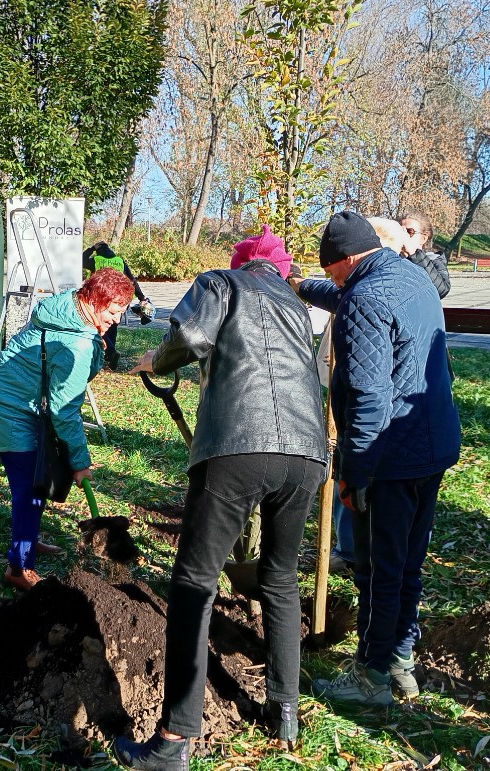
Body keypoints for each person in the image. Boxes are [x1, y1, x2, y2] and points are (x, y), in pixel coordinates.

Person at [113, 231, 328, 768]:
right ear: (280, 271)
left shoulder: (219, 283)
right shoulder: (298, 310)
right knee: (280, 579)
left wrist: (155, 363)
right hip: (306, 456)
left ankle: (173, 740)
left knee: (193, 582)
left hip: (238, 448)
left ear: (241, 265)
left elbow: (187, 333)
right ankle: (285, 714)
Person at [292, 212, 460, 706]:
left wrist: (352, 474)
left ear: (345, 260)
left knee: (378, 570)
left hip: (389, 454)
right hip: (431, 443)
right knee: (408, 563)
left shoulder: (365, 298)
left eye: (333, 271)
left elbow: (369, 397)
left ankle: (370, 677)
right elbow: (346, 297)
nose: (336, 281)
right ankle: (401, 662)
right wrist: (301, 285)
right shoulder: (408, 275)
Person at [0, 268, 135, 590]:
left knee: (37, 479)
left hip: (8, 391)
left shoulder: (65, 307)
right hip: (7, 406)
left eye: (121, 312)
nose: (117, 320)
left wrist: (98, 345)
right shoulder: (77, 346)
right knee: (29, 491)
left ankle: (28, 538)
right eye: (113, 311)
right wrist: (80, 462)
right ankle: (19, 568)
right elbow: (64, 410)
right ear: (92, 300)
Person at [82, 242, 152, 370]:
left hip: (101, 298)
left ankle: (110, 352)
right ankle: (110, 357)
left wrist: (91, 249)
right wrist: (141, 297)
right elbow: (132, 280)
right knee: (113, 327)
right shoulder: (119, 261)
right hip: (118, 299)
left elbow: (81, 260)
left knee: (97, 326)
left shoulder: (96, 260)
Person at [399, 210, 450, 298]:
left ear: (423, 238)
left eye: (409, 232)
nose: (403, 236)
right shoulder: (389, 259)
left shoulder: (434, 260)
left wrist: (413, 254)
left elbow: (441, 291)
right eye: (400, 231)